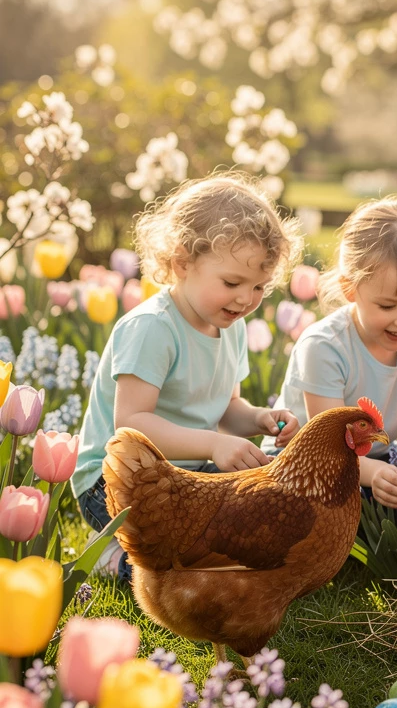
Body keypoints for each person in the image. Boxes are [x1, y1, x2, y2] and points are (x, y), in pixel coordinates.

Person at [73, 172, 303, 578]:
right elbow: (132, 424)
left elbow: (227, 407)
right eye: (232, 282)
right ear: (182, 263)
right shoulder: (153, 328)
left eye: (259, 288)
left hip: (187, 475)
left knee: (257, 517)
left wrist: (259, 419)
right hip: (118, 481)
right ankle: (113, 558)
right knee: (188, 567)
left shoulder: (229, 325)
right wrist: (213, 445)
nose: (245, 299)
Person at [266, 196, 397, 506]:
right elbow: (329, 448)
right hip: (303, 465)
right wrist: (374, 473)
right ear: (350, 288)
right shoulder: (324, 347)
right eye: (387, 306)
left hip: (374, 463)